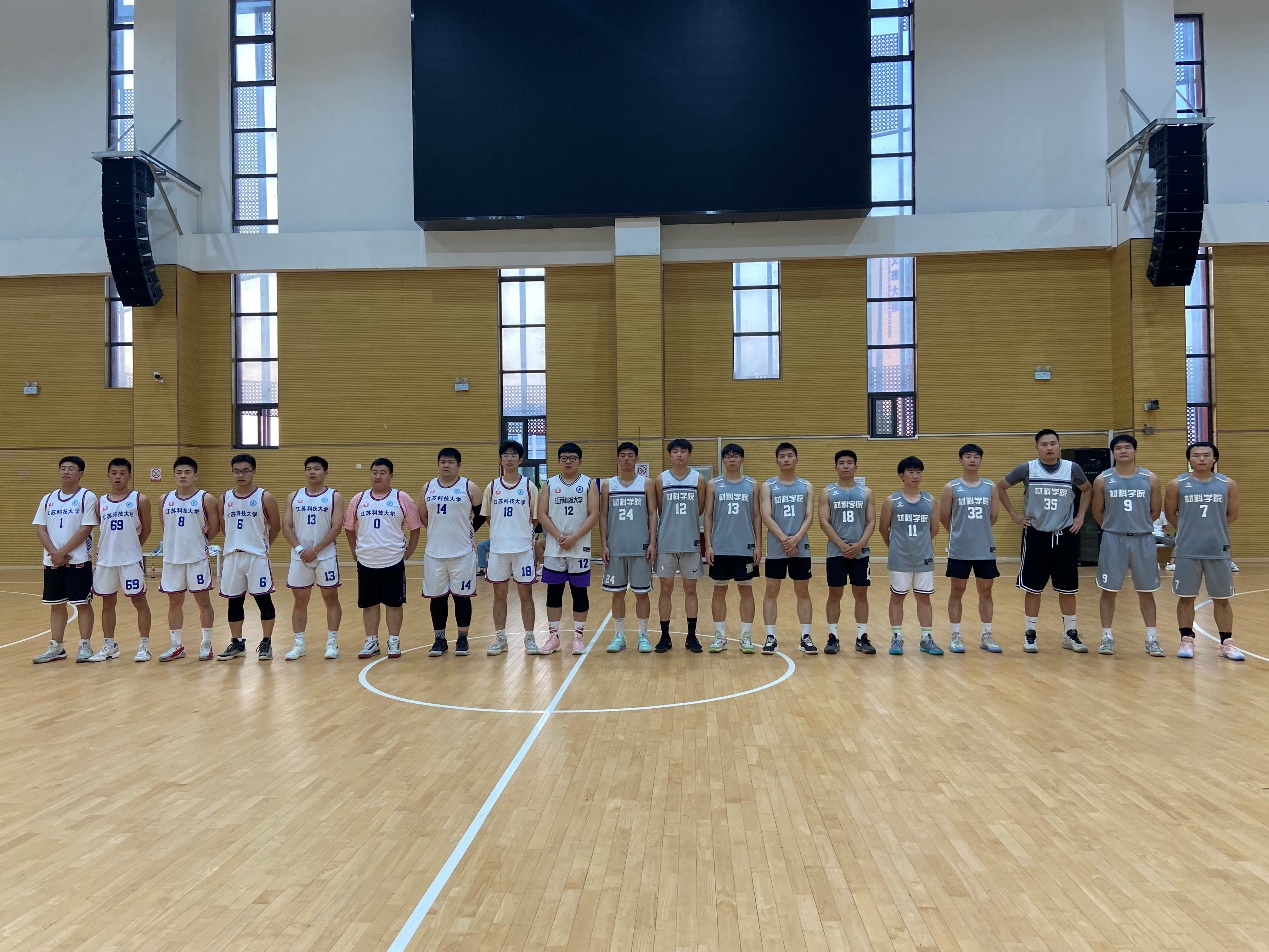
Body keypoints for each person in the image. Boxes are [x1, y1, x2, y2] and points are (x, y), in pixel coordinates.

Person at [996, 429, 1093, 653]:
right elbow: (1000, 486)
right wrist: (1015, 515)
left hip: (1064, 534)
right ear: (1037, 447)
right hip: (1036, 534)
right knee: (1033, 588)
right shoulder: (1027, 468)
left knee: (1067, 589)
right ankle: (1030, 634)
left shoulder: (1072, 469)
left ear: (1059, 446)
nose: (1049, 448)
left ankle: (1070, 634)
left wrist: (1080, 516)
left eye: (1053, 443)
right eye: (1044, 444)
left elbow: (1087, 490)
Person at [1165, 441, 1244, 660]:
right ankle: (1186, 640)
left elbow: (1231, 515)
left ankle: (1226, 644)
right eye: (1196, 455)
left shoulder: (1227, 484)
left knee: (1222, 598)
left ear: (1214, 458)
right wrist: (1188, 531)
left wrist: (1212, 529)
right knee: (1186, 597)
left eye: (1206, 455)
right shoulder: (1176, 484)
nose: (1201, 458)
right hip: (1187, 549)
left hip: (1217, 549)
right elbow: (1171, 514)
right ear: (1189, 459)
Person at [1091, 435, 1164, 657]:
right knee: (1109, 591)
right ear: (1113, 453)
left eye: (1127, 447)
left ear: (1135, 451)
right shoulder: (1103, 479)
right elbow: (1098, 511)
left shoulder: (1150, 478)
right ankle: (1106, 637)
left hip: (1143, 539)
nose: (1123, 451)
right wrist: (1115, 527)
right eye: (1118, 448)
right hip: (1113, 538)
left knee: (1146, 592)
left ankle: (1151, 638)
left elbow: (1154, 511)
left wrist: (1137, 525)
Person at [344, 457, 421, 660]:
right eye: (374, 472)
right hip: (366, 559)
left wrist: (411, 548)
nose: (378, 476)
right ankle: (371, 641)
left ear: (391, 475)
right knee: (369, 603)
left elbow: (415, 526)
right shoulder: (359, 499)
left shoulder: (401, 498)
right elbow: (349, 527)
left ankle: (394, 640)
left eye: (382, 473)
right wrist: (354, 549)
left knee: (394, 603)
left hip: (392, 559)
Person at [31, 456, 99, 664]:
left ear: (81, 474)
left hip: (78, 560)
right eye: (63, 468)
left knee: (82, 603)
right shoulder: (48, 498)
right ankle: (57, 647)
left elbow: (86, 528)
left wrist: (63, 552)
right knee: (56, 604)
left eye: (71, 468)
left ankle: (85, 645)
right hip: (53, 561)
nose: (66, 471)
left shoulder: (87, 497)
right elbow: (41, 528)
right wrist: (54, 553)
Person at [217, 454, 282, 660]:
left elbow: (276, 526)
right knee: (234, 602)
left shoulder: (265, 497)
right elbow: (224, 527)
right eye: (237, 471)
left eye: (245, 471)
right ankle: (237, 643)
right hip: (233, 557)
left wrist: (262, 546)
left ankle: (266, 642)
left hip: (256, 557)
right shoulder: (224, 498)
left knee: (263, 599)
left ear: (253, 471)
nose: (241, 475)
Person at [938, 444, 1002, 654]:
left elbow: (993, 516)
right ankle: (956, 635)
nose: (972, 460)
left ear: (981, 460)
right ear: (961, 460)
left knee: (986, 591)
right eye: (968, 456)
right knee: (957, 590)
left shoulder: (990, 487)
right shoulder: (951, 487)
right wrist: (958, 533)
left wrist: (979, 532)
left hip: (984, 548)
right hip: (960, 549)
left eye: (976, 457)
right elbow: (944, 517)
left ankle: (987, 635)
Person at [538, 442, 600, 655]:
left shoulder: (588, 483)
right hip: (555, 549)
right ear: (558, 461)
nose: (568, 461)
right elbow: (542, 513)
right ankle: (553, 637)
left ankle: (578, 637)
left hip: (579, 548)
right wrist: (557, 536)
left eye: (572, 458)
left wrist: (574, 538)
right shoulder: (549, 483)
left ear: (580, 461)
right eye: (564, 458)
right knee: (553, 593)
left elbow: (594, 513)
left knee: (579, 593)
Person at [89, 458, 153, 662]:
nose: (118, 476)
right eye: (114, 473)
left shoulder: (140, 499)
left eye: (122, 473)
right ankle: (109, 645)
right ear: (108, 475)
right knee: (107, 603)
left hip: (130, 560)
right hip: (106, 560)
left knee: (139, 601)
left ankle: (144, 646)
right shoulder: (100, 502)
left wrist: (133, 546)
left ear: (129, 476)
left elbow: (147, 529)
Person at [281, 455, 344, 660]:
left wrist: (315, 550)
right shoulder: (294, 496)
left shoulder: (334, 496)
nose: (312, 472)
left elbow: (337, 527)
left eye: (317, 468)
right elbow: (286, 526)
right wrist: (301, 549)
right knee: (300, 600)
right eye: (309, 468)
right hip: (300, 557)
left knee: (330, 598)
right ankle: (299, 644)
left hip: (325, 556)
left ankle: (332, 643)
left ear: (325, 472)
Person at [157, 456, 219, 661]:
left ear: (195, 475)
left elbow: (214, 527)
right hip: (172, 559)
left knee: (203, 602)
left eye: (187, 472)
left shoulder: (205, 498)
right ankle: (176, 645)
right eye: (179, 472)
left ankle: (206, 643)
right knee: (174, 603)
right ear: (174, 475)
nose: (183, 476)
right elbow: (165, 526)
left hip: (196, 558)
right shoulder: (164, 499)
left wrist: (198, 542)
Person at [880, 456, 942, 656]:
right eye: (911, 472)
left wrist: (920, 544)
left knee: (924, 597)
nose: (915, 476)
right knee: (897, 596)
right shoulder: (891, 501)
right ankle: (897, 637)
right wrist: (895, 547)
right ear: (901, 475)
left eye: (918, 472)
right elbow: (883, 528)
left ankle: (926, 637)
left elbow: (934, 529)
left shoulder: (930, 500)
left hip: (923, 558)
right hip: (899, 558)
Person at [484, 440, 540, 656]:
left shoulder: (529, 486)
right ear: (500, 460)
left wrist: (520, 534)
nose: (509, 459)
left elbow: (535, 518)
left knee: (526, 594)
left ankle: (530, 638)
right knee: (499, 595)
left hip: (522, 550)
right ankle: (500, 638)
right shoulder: (492, 487)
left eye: (513, 455)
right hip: (499, 550)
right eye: (505, 455)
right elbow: (489, 517)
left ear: (520, 459)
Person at [704, 443, 762, 653]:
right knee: (719, 590)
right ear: (723, 460)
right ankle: (720, 636)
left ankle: (746, 636)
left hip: (744, 547)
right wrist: (708, 545)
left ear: (742, 459)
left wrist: (758, 545)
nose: (732, 459)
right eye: (728, 456)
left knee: (746, 590)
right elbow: (708, 515)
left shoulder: (752, 484)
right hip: (720, 547)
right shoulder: (713, 484)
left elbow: (756, 515)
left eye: (735, 456)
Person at [422, 447, 480, 657]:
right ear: (438, 464)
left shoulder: (468, 486)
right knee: (437, 598)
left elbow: (481, 514)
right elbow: (423, 516)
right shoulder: (428, 487)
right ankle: (439, 639)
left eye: (450, 462)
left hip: (462, 553)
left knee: (462, 597)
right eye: (443, 462)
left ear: (458, 465)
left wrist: (468, 531)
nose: (446, 465)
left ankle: (462, 638)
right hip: (435, 553)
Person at [759, 442, 815, 655]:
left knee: (803, 591)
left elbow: (809, 516)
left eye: (790, 456)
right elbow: (766, 516)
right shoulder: (768, 486)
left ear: (796, 459)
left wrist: (796, 538)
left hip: (801, 547)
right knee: (771, 591)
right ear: (777, 461)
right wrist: (785, 539)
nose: (786, 459)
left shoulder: (807, 486)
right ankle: (770, 636)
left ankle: (806, 637)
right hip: (776, 547)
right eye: (782, 456)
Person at [818, 449, 876, 655]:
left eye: (849, 462)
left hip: (861, 552)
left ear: (856, 467)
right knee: (835, 593)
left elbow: (871, 521)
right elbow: (823, 521)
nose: (845, 466)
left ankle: (862, 637)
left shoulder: (866, 492)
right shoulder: (827, 492)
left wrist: (860, 544)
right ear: (835, 467)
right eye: (841, 462)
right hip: (836, 552)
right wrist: (841, 545)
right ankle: (832, 637)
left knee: (861, 593)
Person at [600, 442, 656, 653]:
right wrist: (604, 544)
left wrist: (652, 542)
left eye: (630, 455)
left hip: (640, 548)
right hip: (615, 548)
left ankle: (643, 635)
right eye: (622, 455)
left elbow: (653, 514)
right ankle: (619, 635)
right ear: (617, 459)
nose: (626, 459)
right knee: (617, 593)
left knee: (642, 594)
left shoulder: (647, 483)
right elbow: (603, 515)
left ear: (637, 459)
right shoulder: (608, 485)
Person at [654, 439, 705, 653]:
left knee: (690, 589)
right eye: (675, 451)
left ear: (689, 454)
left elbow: (699, 509)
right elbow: (660, 508)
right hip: (666, 543)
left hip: (690, 542)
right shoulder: (661, 479)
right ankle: (664, 636)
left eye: (683, 451)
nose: (679, 455)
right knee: (665, 589)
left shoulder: (698, 479)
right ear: (670, 455)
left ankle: (691, 636)